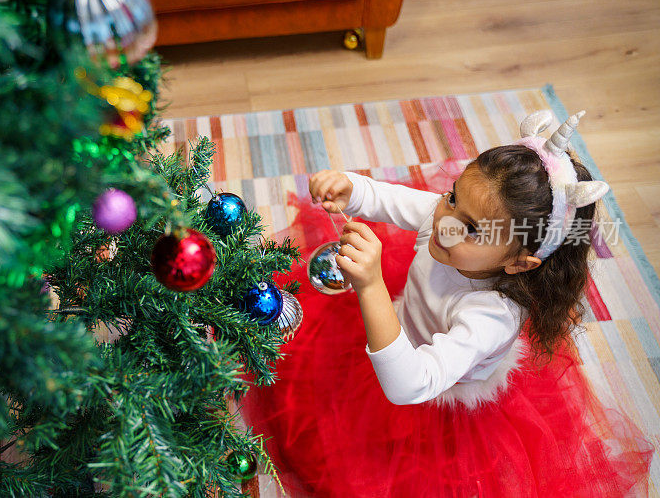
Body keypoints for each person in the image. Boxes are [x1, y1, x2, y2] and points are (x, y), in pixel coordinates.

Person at [239, 111, 654, 497]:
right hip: (401, 331)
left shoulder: (491, 314)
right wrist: (354, 188)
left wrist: (371, 286)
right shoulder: (449, 222)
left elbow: (411, 384)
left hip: (436, 392)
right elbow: (399, 202)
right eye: (453, 197)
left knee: (402, 471)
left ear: (516, 262)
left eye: (472, 229)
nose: (445, 221)